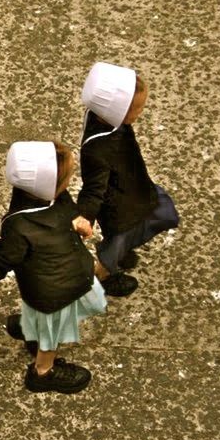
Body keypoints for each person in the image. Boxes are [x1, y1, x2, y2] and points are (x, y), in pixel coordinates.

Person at [0, 141, 106, 394]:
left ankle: (27, 328)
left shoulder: (48, 198)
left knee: (52, 319)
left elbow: (65, 208)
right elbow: (0, 259)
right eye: (65, 180)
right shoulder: (20, 227)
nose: (68, 184)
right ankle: (43, 372)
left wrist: (76, 218)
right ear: (49, 185)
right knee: (51, 337)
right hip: (53, 293)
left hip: (53, 282)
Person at [76, 62, 180, 296]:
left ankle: (119, 254)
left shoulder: (104, 120)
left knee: (156, 215)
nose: (140, 114)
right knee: (116, 245)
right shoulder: (99, 149)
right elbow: (94, 188)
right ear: (117, 112)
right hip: (122, 209)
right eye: (137, 110)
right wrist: (85, 215)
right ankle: (99, 278)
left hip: (133, 191)